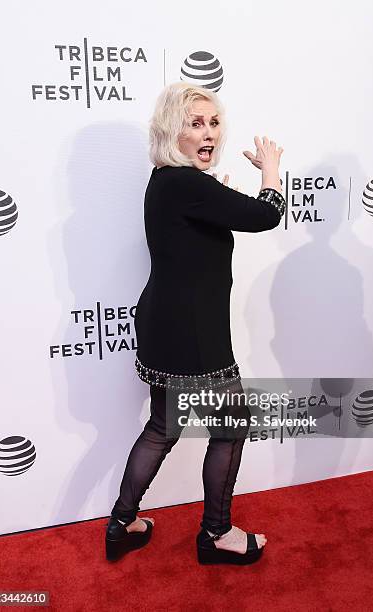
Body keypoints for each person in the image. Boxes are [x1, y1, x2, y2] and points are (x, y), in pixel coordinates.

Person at [105, 81, 286, 565]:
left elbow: (194, 239)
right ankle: (216, 535)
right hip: (194, 333)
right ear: (171, 130)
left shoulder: (166, 180)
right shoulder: (188, 184)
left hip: (163, 322)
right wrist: (270, 172)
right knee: (230, 429)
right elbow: (266, 215)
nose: (208, 133)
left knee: (163, 427)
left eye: (213, 122)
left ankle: (122, 524)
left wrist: (217, 200)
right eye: (195, 123)